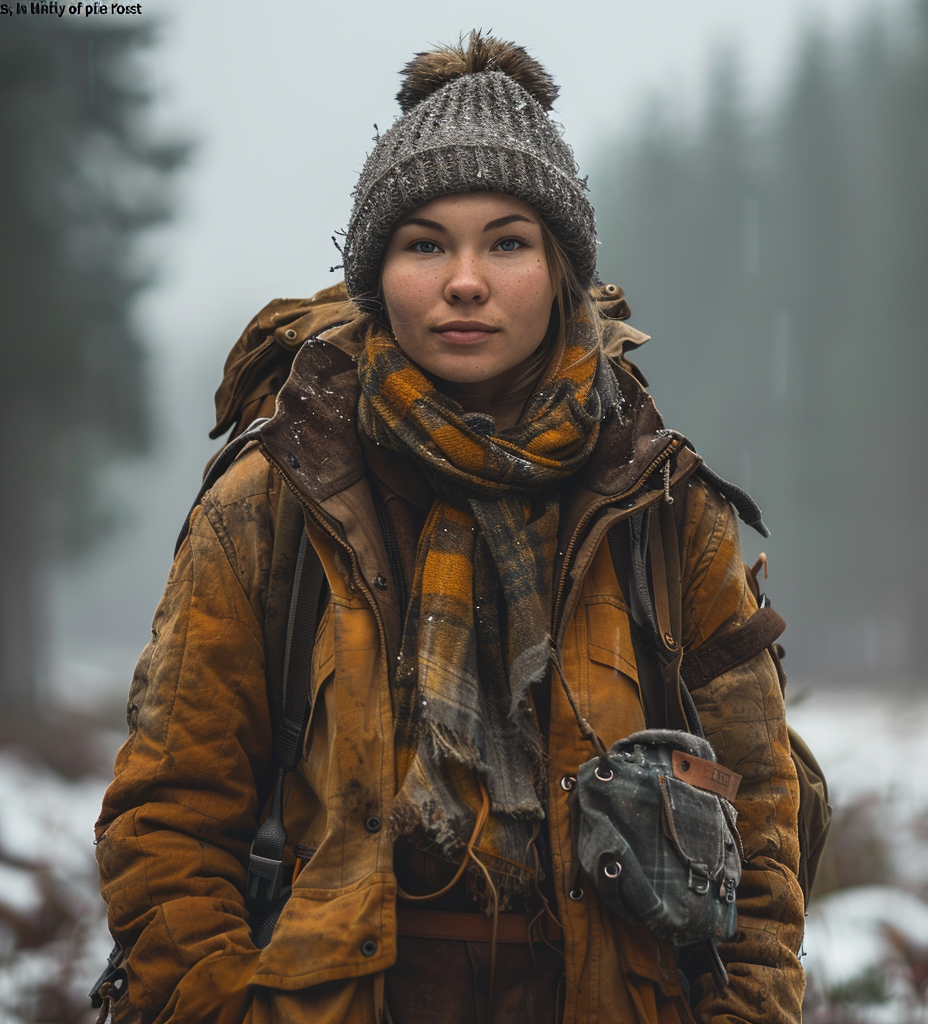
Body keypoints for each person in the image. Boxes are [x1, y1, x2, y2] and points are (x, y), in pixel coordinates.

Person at [95, 32, 806, 1024]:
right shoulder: (275, 501)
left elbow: (761, 819)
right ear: (377, 269)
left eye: (506, 242)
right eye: (424, 242)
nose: (464, 280)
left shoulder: (658, 507)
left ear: (560, 270)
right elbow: (170, 816)